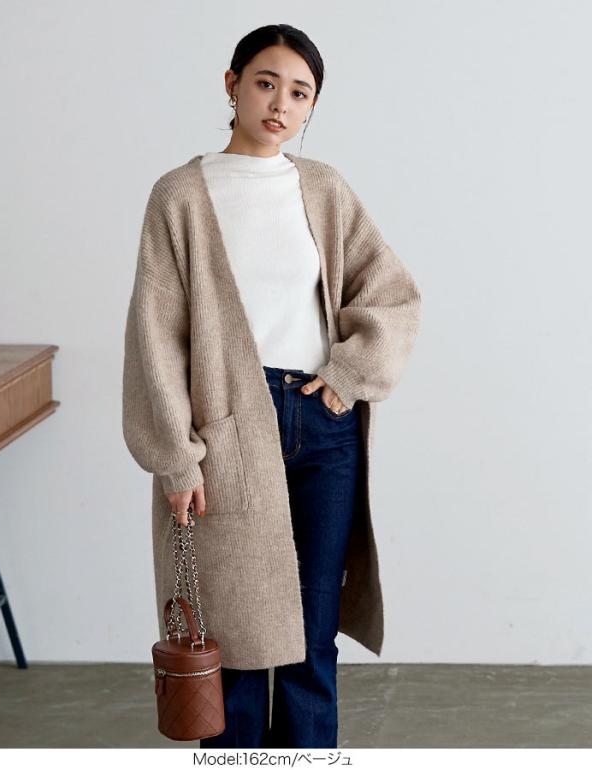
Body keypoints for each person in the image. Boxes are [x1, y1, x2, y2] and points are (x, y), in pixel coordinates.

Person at [122, 23, 422, 749]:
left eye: (300, 92)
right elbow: (156, 336)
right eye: (265, 83)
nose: (281, 104)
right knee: (233, 644)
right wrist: (176, 459)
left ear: (313, 104)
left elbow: (391, 294)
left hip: (322, 427)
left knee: (312, 639)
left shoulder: (322, 188)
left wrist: (348, 374)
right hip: (225, 432)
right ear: (232, 85)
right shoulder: (181, 195)